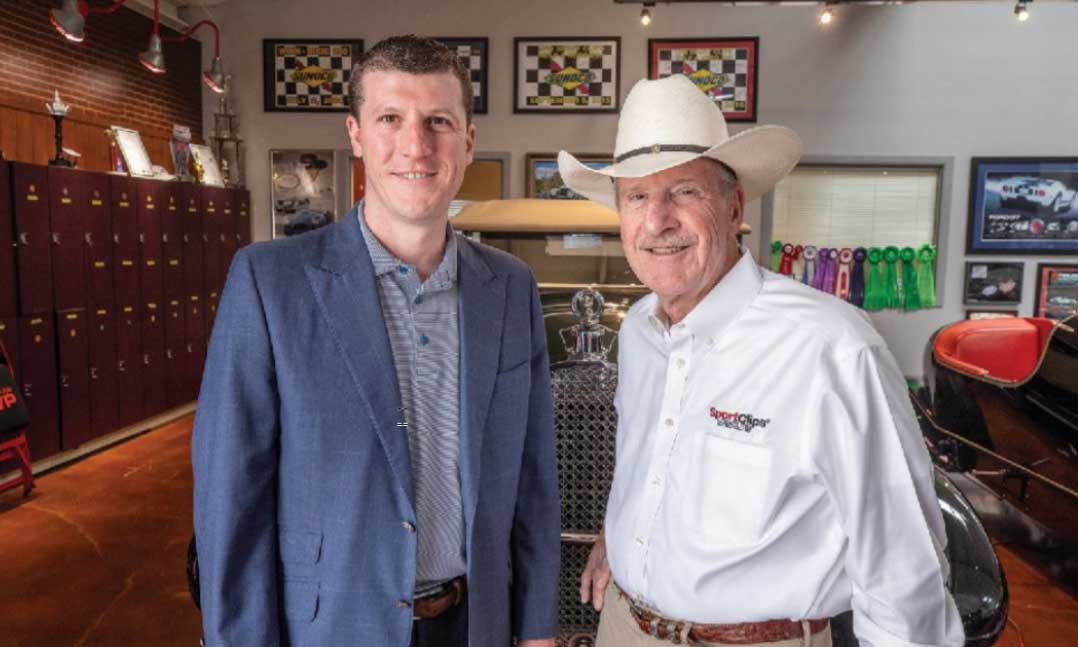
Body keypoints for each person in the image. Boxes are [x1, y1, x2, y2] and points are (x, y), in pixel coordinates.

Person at [558, 74, 964, 647]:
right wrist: (617, 537)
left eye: (684, 192)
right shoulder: (639, 334)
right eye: (637, 197)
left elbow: (902, 567)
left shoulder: (831, 346)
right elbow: (651, 463)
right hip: (622, 626)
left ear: (733, 207)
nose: (657, 221)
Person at [192, 35, 560, 647]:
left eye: (438, 121)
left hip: (476, 624)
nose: (416, 145)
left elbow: (533, 476)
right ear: (357, 135)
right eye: (391, 118)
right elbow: (231, 499)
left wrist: (537, 627)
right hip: (329, 627)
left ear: (468, 141)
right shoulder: (268, 282)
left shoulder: (511, 287)